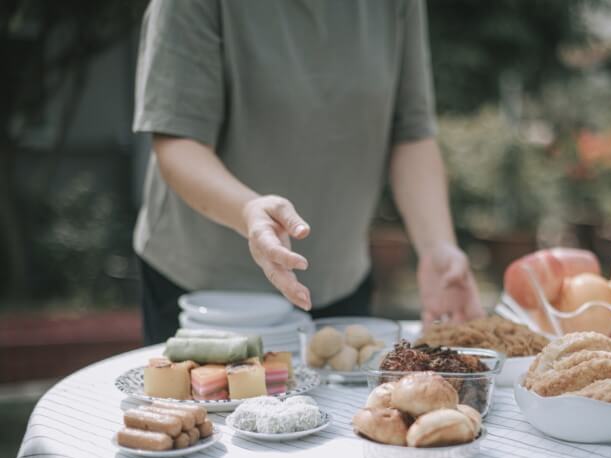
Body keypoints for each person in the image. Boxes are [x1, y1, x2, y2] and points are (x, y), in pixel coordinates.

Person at [133, 0, 484, 344]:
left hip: (338, 284)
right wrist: (248, 211)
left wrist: (438, 247)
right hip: (208, 291)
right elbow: (178, 144)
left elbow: (411, 133)